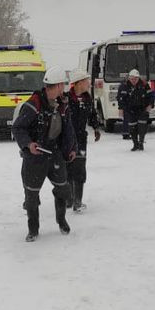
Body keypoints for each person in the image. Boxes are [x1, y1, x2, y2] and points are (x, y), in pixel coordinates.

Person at [11, 67, 77, 241]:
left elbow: (68, 130)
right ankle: (33, 229)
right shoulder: (33, 105)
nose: (63, 88)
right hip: (35, 157)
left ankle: (61, 220)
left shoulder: (62, 105)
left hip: (55, 154)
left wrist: (71, 149)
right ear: (54, 86)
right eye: (62, 85)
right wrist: (28, 144)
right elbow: (18, 128)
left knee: (63, 189)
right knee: (31, 195)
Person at [66, 69, 102, 212]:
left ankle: (77, 202)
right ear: (78, 83)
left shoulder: (87, 98)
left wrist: (96, 128)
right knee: (67, 169)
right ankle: (68, 199)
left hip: (81, 139)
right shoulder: (65, 99)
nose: (89, 84)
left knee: (80, 170)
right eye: (86, 81)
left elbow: (92, 115)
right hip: (66, 140)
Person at [116, 68, 155, 151]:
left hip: (142, 109)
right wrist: (121, 109)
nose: (133, 80)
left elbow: (151, 96)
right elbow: (120, 98)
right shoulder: (124, 86)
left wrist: (150, 105)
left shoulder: (144, 85)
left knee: (142, 126)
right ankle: (135, 144)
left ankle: (141, 143)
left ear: (138, 78)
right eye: (132, 79)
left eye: (135, 79)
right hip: (130, 110)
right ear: (129, 78)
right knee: (132, 128)